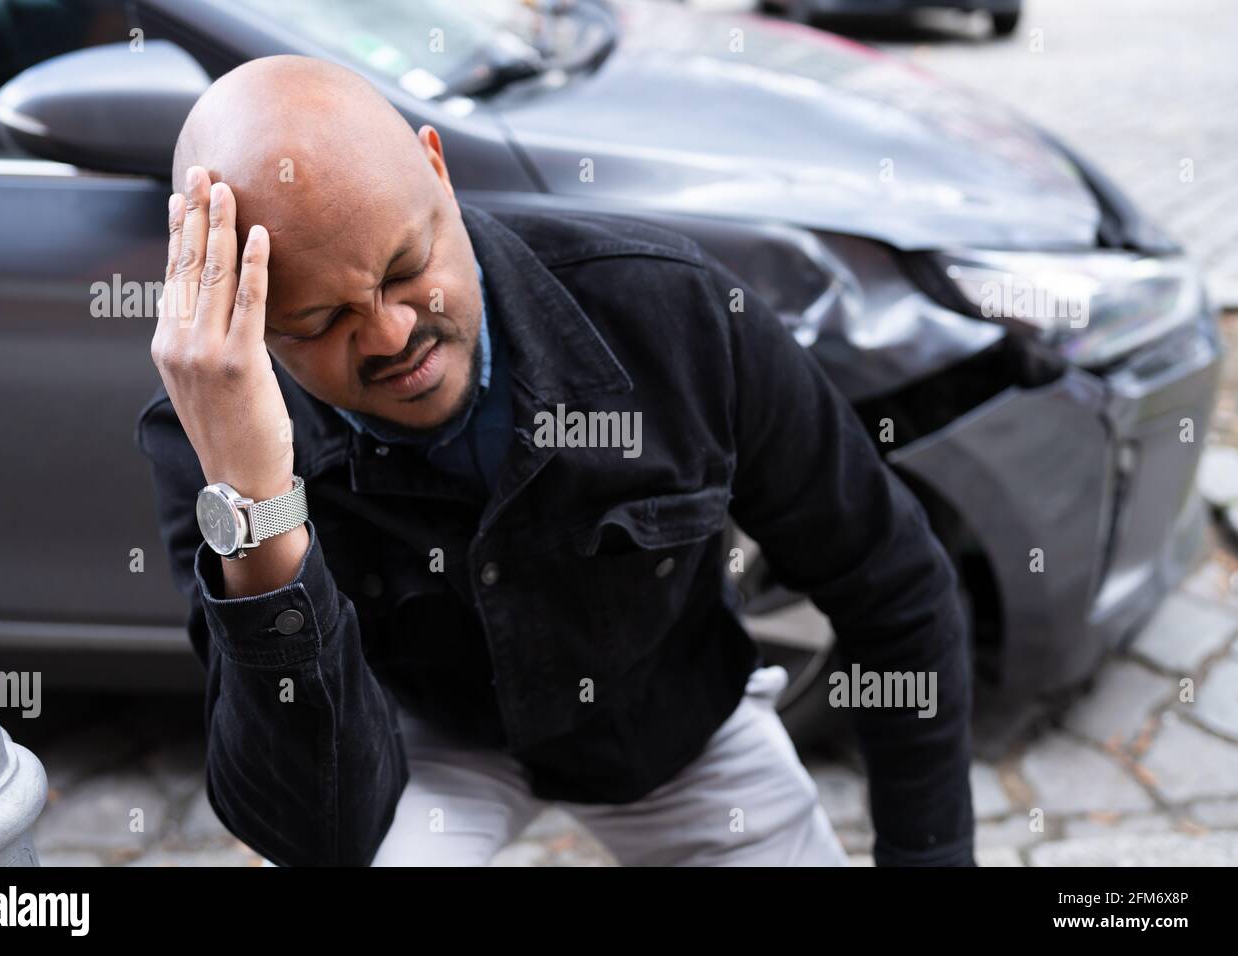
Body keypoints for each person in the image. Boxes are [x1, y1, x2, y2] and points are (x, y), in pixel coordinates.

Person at [136, 55, 975, 867]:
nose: (392, 335)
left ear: (439, 171)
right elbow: (313, 835)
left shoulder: (673, 313)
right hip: (417, 746)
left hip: (670, 729)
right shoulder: (214, 442)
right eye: (320, 322)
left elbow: (892, 586)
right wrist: (259, 507)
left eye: (406, 269)